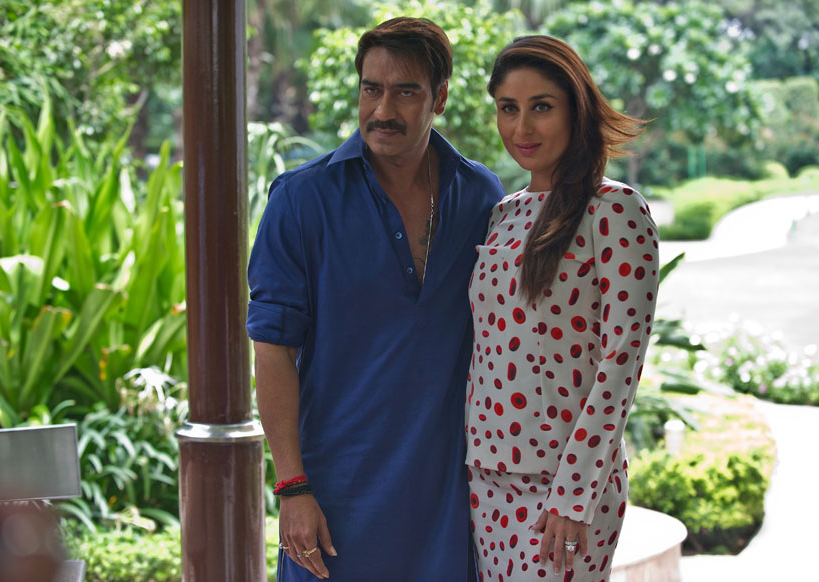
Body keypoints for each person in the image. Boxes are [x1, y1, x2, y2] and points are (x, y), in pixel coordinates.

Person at [246, 16, 505, 581]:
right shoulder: (299, 201)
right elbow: (271, 351)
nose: (383, 109)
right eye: (372, 88)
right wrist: (291, 486)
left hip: (447, 501)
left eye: (405, 91)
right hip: (336, 500)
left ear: (439, 97)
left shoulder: (482, 196)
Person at [465, 36, 659, 582]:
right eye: (509, 108)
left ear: (576, 107)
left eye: (541, 107)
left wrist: (574, 495)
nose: (521, 129)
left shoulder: (614, 209)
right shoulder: (503, 213)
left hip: (563, 488)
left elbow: (622, 359)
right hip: (486, 478)